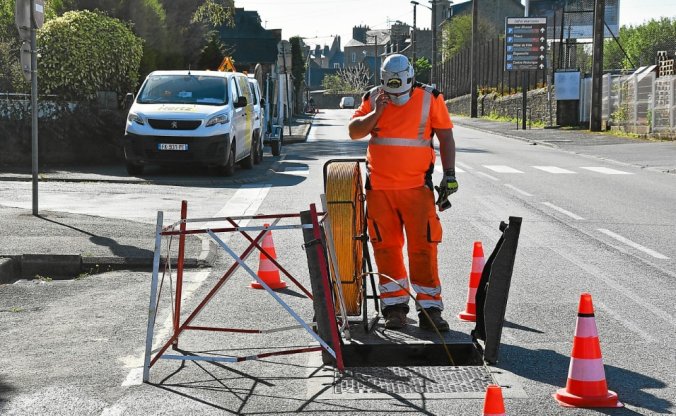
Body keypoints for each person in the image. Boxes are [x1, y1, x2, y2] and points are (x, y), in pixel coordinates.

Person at [348, 54, 458, 332]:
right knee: (386, 248)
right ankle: (394, 307)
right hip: (380, 190)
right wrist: (377, 113)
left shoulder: (430, 97)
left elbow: (445, 135)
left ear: (410, 80)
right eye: (391, 91)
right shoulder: (373, 98)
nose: (397, 97)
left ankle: (430, 309)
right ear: (384, 82)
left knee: (423, 248)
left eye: (402, 92)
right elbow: (354, 132)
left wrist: (450, 175)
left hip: (416, 189)